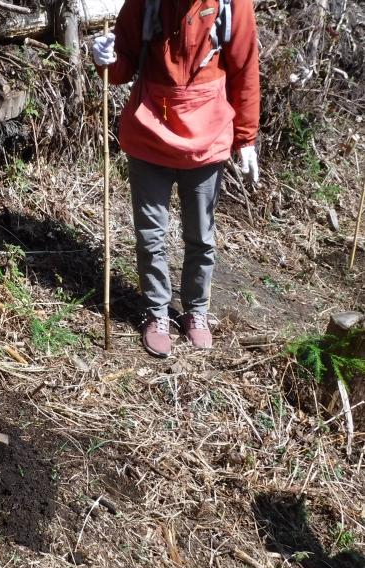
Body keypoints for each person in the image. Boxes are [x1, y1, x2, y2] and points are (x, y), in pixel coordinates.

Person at [93, 0, 260, 357]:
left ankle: (196, 311)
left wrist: (246, 138)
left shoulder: (232, 5)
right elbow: (122, 67)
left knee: (201, 235)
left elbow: (245, 68)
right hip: (150, 134)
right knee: (150, 235)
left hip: (208, 135)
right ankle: (157, 313)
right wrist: (105, 59)